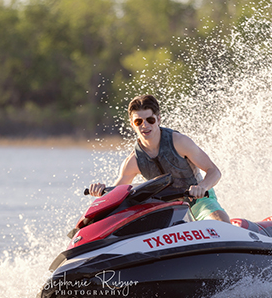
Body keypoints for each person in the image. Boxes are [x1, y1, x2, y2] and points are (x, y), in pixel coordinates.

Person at [89, 94, 231, 222]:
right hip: (166, 210)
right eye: (138, 122)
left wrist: (202, 187)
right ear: (132, 124)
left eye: (150, 120)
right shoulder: (133, 162)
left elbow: (214, 171)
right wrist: (100, 191)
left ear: (158, 119)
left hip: (199, 201)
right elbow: (116, 194)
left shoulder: (180, 142)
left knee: (221, 223)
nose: (145, 125)